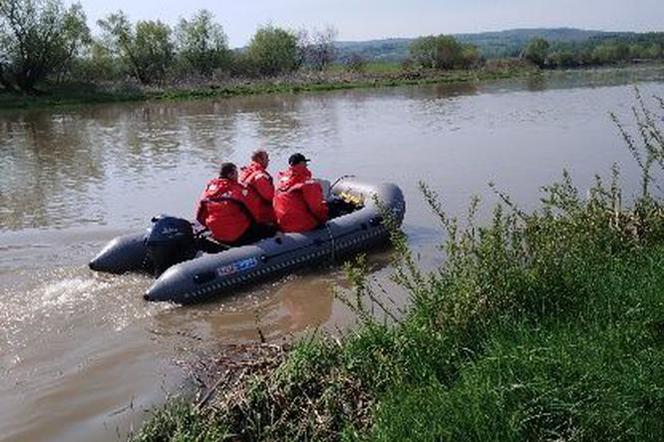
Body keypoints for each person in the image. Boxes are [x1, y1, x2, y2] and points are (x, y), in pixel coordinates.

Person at [195, 162, 264, 245]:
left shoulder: (209, 189)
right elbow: (253, 211)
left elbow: (200, 214)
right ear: (230, 175)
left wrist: (209, 226)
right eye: (236, 173)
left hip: (216, 232)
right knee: (267, 229)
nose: (238, 176)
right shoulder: (237, 190)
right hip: (235, 234)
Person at [273, 153, 329, 233]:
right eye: (305, 163)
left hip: (283, 224)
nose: (306, 165)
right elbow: (317, 208)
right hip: (302, 226)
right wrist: (325, 219)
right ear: (302, 164)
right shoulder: (307, 183)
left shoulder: (281, 180)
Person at [239, 149, 275, 225]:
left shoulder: (244, 173)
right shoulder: (260, 176)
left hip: (248, 212)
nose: (268, 160)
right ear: (259, 159)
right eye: (266, 158)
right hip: (261, 214)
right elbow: (270, 197)